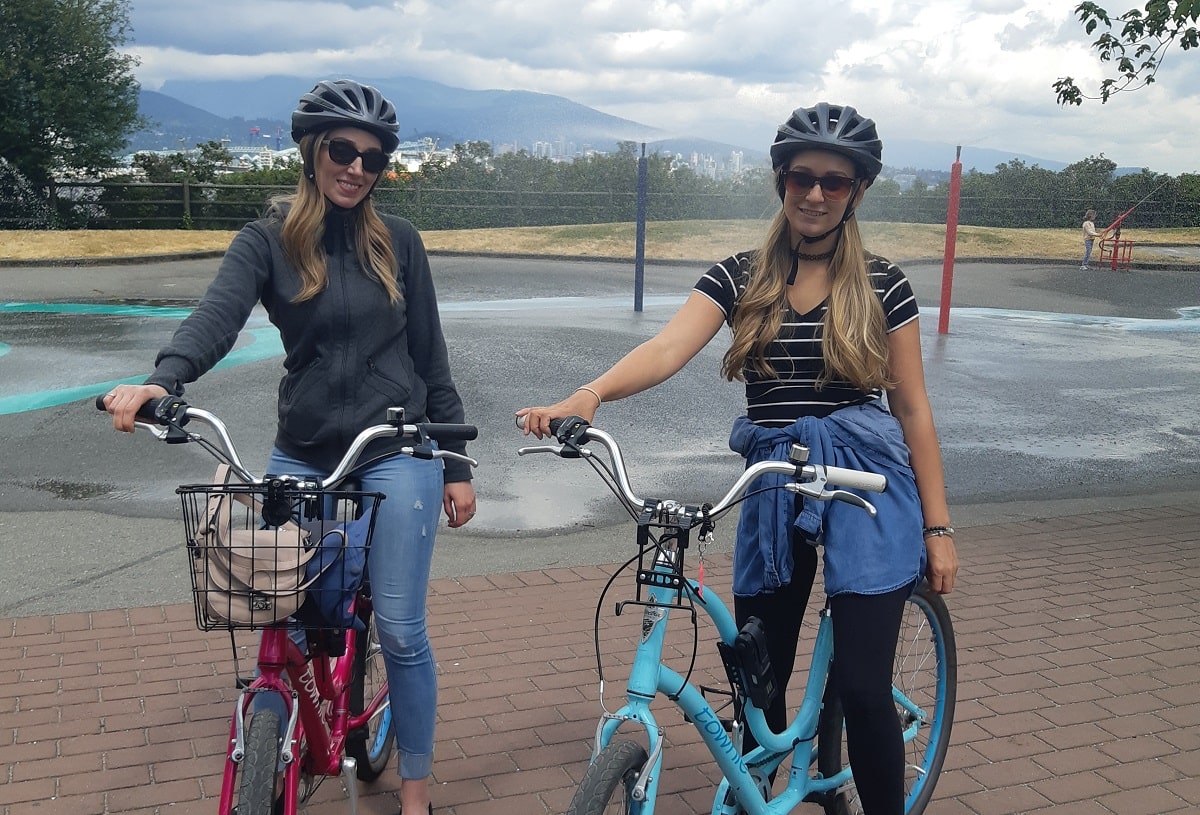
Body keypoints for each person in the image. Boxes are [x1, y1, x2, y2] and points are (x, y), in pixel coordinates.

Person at [518, 103, 958, 814]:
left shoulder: (884, 284)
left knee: (864, 686)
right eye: (802, 177)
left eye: (834, 182)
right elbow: (667, 346)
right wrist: (589, 395)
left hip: (864, 482)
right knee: (760, 674)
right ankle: (769, 791)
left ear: (857, 191)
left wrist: (937, 527)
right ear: (781, 181)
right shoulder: (741, 275)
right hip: (775, 477)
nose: (815, 194)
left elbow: (912, 409)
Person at [103, 78, 475, 814]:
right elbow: (216, 316)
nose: (356, 168)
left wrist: (456, 464)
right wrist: (162, 380)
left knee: (401, 629)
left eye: (373, 158)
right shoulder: (268, 240)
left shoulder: (399, 242)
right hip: (302, 450)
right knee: (282, 608)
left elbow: (431, 360)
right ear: (311, 151)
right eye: (342, 150)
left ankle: (415, 794)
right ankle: (290, 723)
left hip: (395, 447)